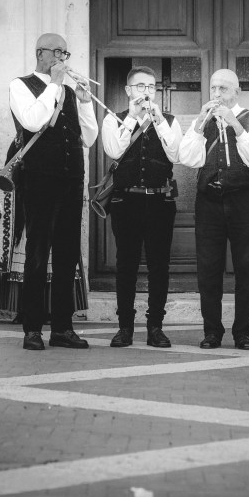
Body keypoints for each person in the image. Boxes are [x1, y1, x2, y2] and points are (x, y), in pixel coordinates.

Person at [10, 33, 98, 350]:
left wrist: (85, 102)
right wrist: (54, 86)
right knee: (37, 254)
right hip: (39, 180)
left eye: (65, 52)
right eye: (56, 52)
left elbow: (87, 137)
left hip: (71, 180)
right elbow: (33, 121)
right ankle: (32, 328)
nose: (62, 58)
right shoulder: (20, 85)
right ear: (40, 53)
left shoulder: (70, 93)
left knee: (66, 255)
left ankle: (62, 327)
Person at [179, 69, 249, 350]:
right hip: (209, 202)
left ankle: (243, 332)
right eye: (213, 88)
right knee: (208, 269)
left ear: (237, 92)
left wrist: (236, 126)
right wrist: (197, 127)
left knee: (245, 268)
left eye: (223, 89)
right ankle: (212, 332)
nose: (216, 94)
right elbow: (188, 159)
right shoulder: (202, 120)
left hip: (242, 200)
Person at [102, 66, 182, 348]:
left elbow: (177, 153)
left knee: (159, 266)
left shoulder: (169, 120)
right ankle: (125, 327)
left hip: (161, 201)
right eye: (140, 87)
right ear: (128, 91)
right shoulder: (113, 119)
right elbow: (113, 150)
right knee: (127, 266)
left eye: (151, 87)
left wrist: (158, 120)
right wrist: (133, 119)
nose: (146, 92)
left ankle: (155, 327)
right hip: (127, 202)